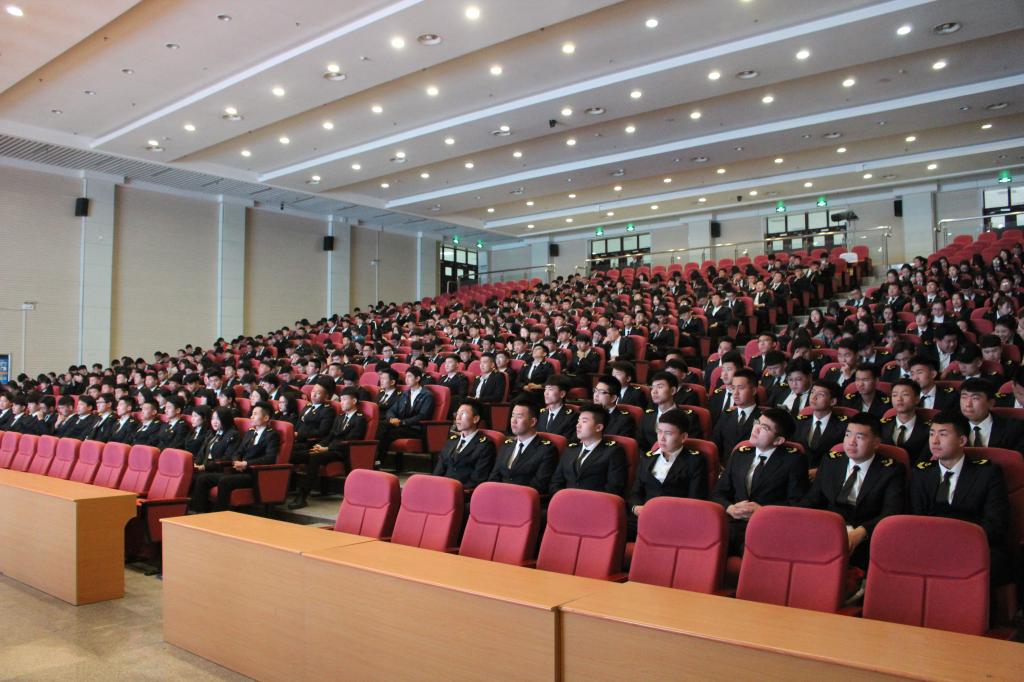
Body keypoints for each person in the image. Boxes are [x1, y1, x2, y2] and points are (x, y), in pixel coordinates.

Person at [910, 410, 1010, 585]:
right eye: (932, 434)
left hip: (973, 545)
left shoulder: (987, 474)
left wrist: (956, 543)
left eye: (943, 434)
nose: (934, 441)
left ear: (962, 440)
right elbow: (916, 517)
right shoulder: (921, 473)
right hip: (930, 544)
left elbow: (995, 523)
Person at [799, 413, 905, 569]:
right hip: (828, 527)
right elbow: (813, 499)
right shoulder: (831, 461)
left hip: (865, 533)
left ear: (876, 443)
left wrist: (862, 532)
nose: (851, 442)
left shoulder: (891, 470)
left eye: (860, 437)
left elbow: (891, 511)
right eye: (848, 435)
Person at [712, 407, 808, 556]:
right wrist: (730, 508)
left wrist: (763, 512)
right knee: (708, 548)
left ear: (778, 440)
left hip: (768, 526)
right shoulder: (740, 454)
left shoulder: (794, 461)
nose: (756, 429)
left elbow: (796, 504)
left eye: (764, 428)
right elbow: (718, 493)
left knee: (751, 555)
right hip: (733, 522)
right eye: (757, 422)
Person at [628, 410, 708, 540]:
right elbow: (635, 493)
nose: (662, 438)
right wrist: (636, 508)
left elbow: (695, 500)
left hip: (675, 520)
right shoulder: (648, 458)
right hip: (644, 516)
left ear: (683, 437)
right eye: (659, 432)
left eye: (668, 433)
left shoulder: (695, 461)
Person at [192, 402, 281, 513]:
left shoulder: (271, 435)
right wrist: (236, 461)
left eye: (255, 414)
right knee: (203, 478)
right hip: (238, 470)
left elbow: (270, 458)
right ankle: (199, 512)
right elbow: (238, 452)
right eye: (251, 414)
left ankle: (219, 514)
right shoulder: (250, 432)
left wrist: (246, 464)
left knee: (225, 481)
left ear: (266, 418)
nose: (251, 416)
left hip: (255, 474)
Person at [289, 387, 369, 509]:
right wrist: (320, 445)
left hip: (343, 451)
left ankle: (302, 496)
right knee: (295, 455)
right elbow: (330, 435)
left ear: (354, 401)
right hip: (329, 449)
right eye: (340, 400)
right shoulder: (340, 417)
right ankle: (287, 490)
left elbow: (351, 440)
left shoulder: (360, 419)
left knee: (315, 458)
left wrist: (327, 448)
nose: (341, 403)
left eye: (345, 400)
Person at [549, 403, 628, 497]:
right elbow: (555, 482)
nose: (578, 425)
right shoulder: (570, 450)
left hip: (595, 503)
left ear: (598, 427)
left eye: (584, 421)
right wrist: (564, 498)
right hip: (566, 501)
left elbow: (614, 488)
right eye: (578, 421)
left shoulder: (613, 452)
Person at [488, 401, 559, 495]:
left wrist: (510, 494)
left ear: (532, 422)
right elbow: (494, 477)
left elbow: (539, 485)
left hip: (523, 498)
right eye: (512, 416)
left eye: (519, 417)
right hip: (499, 495)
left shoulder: (546, 450)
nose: (513, 421)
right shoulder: (507, 445)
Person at [376, 367, 435, 471]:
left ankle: (378, 460)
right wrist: (392, 418)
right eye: (406, 376)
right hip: (403, 426)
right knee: (382, 426)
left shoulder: (427, 395)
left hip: (416, 428)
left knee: (388, 433)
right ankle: (376, 460)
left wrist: (403, 422)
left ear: (417, 378)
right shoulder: (405, 393)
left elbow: (423, 415)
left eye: (409, 376)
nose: (406, 379)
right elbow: (392, 410)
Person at [432, 399, 496, 489]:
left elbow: (478, 479)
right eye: (457, 414)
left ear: (475, 419)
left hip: (463, 491)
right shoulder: (451, 441)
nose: (458, 418)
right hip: (442, 489)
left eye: (463, 414)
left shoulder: (485, 446)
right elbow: (438, 471)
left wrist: (455, 491)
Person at [792, 381, 848, 470]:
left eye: (821, 394)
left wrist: (820, 470)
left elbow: (844, 457)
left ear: (833, 401)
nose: (813, 397)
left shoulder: (844, 426)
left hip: (828, 472)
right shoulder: (799, 422)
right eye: (812, 392)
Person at [958, 378, 1024, 454]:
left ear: (991, 403)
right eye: (964, 397)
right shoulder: (952, 426)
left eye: (975, 398)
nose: (968, 404)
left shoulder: (1014, 429)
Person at [711, 368, 762, 464]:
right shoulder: (726, 414)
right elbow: (715, 443)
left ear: (754, 390)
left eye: (741, 388)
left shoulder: (762, 418)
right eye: (733, 388)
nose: (735, 393)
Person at [288, 383, 335, 470]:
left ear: (326, 397)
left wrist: (299, 434)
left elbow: (322, 431)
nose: (314, 395)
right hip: (298, 439)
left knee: (287, 453)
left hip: (310, 442)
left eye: (318, 393)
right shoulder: (308, 406)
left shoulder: (327, 410)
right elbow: (299, 422)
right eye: (313, 391)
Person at [193, 406, 242, 474]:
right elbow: (201, 452)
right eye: (213, 418)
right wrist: (196, 464)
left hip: (218, 470)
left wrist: (204, 467)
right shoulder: (211, 433)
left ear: (225, 419)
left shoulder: (233, 435)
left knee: (199, 478)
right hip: (204, 467)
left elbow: (227, 458)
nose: (214, 422)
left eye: (218, 419)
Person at [639, 372, 679, 451]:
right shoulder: (648, 415)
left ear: (672, 390)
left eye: (660, 387)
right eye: (652, 388)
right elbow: (640, 443)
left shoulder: (688, 417)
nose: (654, 391)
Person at [537, 376, 578, 440]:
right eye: (545, 389)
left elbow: (566, 441)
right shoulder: (541, 413)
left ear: (562, 394)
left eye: (550, 389)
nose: (546, 393)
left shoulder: (571, 417)